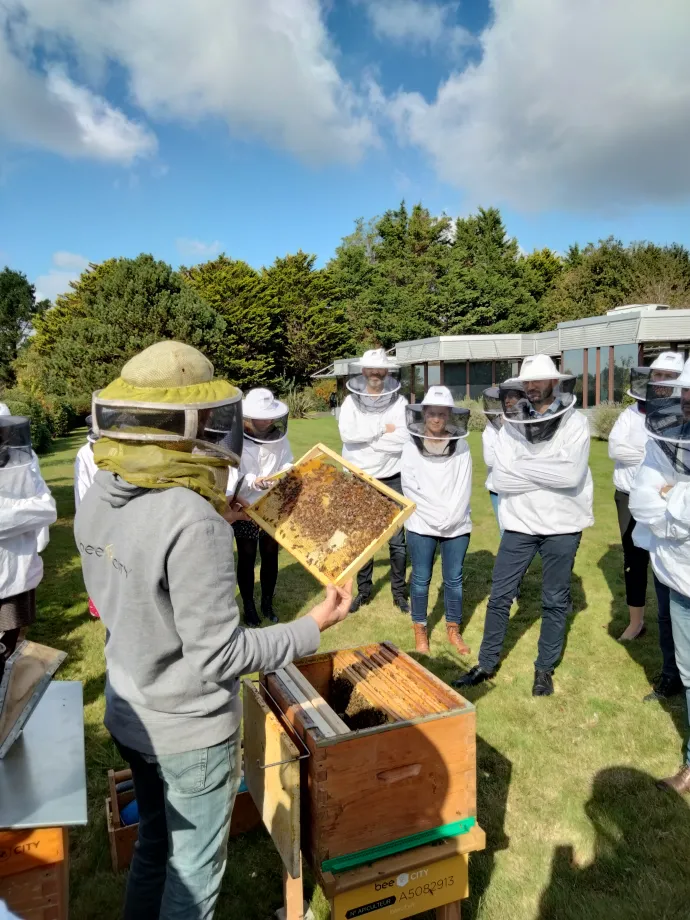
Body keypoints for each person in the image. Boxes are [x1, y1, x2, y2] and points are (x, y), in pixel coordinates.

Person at [74, 341, 351, 920]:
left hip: (129, 714)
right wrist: (311, 625)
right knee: (194, 877)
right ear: (190, 426)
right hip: (188, 733)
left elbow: (141, 567)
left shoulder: (99, 491)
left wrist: (217, 517)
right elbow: (221, 654)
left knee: (155, 844)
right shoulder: (190, 521)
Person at [454, 354, 593, 697]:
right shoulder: (511, 424)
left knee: (554, 600)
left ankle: (544, 670)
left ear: (554, 383)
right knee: (500, 595)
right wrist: (546, 470)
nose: (530, 387)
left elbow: (571, 474)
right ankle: (486, 664)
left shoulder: (576, 424)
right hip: (519, 524)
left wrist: (525, 469)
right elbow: (501, 478)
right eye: (526, 382)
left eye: (537, 381)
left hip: (563, 525)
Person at [629, 358, 690, 794]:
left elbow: (665, 501)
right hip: (678, 572)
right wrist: (675, 510)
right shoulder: (665, 435)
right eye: (684, 399)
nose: (686, 407)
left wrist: (675, 495)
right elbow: (642, 503)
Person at [609, 353, 684, 644]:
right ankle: (636, 622)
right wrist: (651, 455)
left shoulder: (683, 415)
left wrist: (644, 455)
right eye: (658, 375)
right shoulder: (631, 414)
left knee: (671, 561)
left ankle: (675, 628)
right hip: (628, 496)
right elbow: (616, 450)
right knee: (634, 558)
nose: (661, 381)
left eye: (668, 376)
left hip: (671, 501)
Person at [401, 386, 472, 654]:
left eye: (442, 414)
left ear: (450, 416)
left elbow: (463, 487)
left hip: (457, 523)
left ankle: (453, 629)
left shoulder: (461, 444)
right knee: (420, 578)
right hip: (421, 523)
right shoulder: (410, 445)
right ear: (423, 414)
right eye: (432, 413)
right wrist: (434, 518)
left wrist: (450, 519)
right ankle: (420, 631)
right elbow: (411, 487)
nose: (436, 419)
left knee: (454, 579)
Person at [338, 348, 409, 613]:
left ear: (387, 372)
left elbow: (402, 439)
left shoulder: (399, 403)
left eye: (380, 370)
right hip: (358, 478)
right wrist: (381, 430)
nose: (376, 375)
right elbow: (347, 435)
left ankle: (399, 594)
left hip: (392, 476)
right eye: (371, 371)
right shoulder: (350, 403)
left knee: (396, 541)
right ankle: (364, 592)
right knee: (362, 539)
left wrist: (369, 441)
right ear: (364, 372)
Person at [228, 388, 292, 626]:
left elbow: (288, 461)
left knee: (270, 554)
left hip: (272, 503)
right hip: (244, 505)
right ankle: (249, 606)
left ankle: (267, 602)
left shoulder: (279, 436)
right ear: (249, 416)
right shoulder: (236, 439)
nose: (265, 421)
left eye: (268, 416)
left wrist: (282, 474)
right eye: (260, 416)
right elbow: (230, 472)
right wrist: (251, 480)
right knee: (246, 557)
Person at [0, 416, 57, 682]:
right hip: (11, 573)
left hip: (17, 579)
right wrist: (24, 511)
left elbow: (47, 508)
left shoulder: (24, 461)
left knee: (9, 645)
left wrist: (11, 513)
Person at [482, 381, 524, 531]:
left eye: (512, 397)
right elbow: (490, 459)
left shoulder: (527, 425)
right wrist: (503, 433)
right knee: (505, 531)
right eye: (505, 397)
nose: (507, 401)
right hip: (497, 486)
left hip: (521, 485)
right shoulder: (490, 430)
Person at [74, 416, 102, 619]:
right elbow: (81, 488)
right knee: (96, 558)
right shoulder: (83, 454)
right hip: (94, 511)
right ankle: (97, 601)